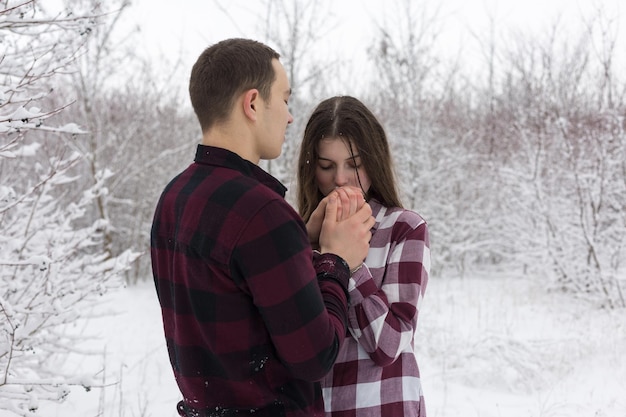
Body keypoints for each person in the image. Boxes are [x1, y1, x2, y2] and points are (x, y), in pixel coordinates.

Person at [150, 39, 376, 417]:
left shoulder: (174, 197)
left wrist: (299, 240)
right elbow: (315, 356)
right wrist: (336, 260)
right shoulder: (262, 212)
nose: (289, 117)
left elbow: (234, 284)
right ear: (252, 104)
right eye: (285, 99)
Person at [297, 96, 431, 417]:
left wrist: (350, 264)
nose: (340, 179)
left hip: (383, 408)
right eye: (326, 166)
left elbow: (388, 346)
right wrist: (306, 242)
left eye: (354, 164)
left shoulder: (403, 228)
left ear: (374, 161)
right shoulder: (299, 234)